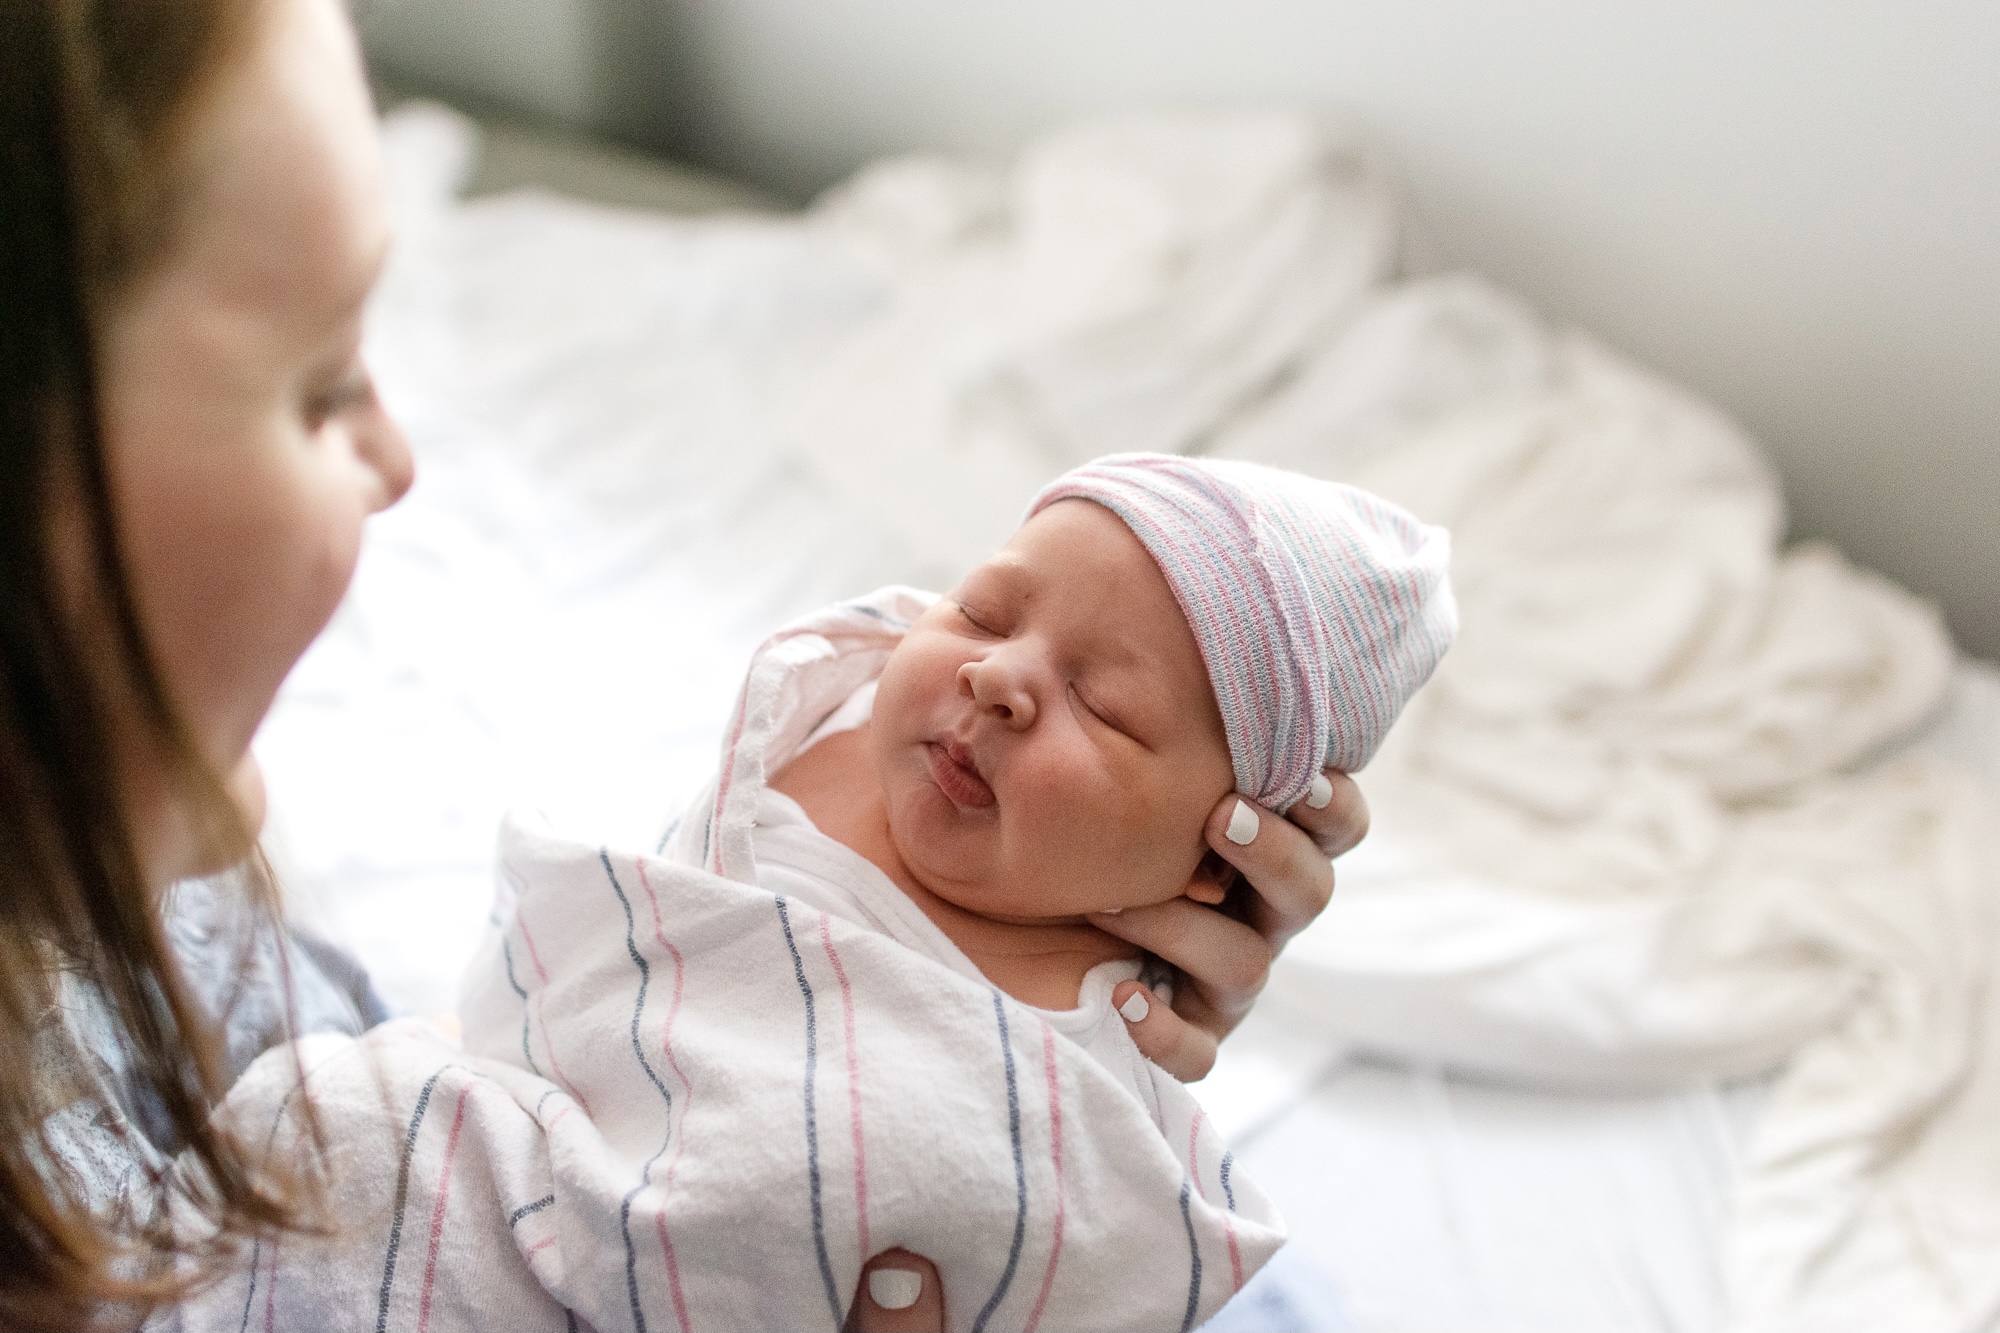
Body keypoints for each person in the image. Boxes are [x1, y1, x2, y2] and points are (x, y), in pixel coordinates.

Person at [0, 0, 1370, 1328]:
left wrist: (1022, 1016)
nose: (397, 462)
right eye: (322, 379)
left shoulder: (130, 888)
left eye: (1108, 707)